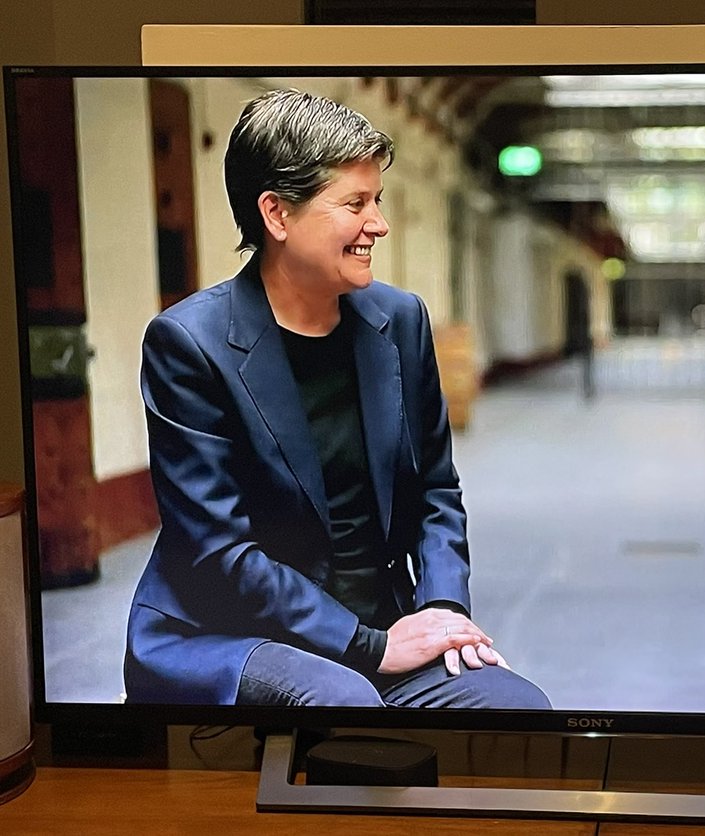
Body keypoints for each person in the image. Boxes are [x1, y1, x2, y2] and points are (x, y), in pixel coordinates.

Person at [123, 88, 550, 710]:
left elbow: (436, 490)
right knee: (344, 705)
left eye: (376, 200)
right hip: (237, 633)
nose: (378, 222)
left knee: (516, 708)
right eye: (356, 203)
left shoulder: (400, 322)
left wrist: (443, 611)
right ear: (276, 215)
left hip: (386, 624)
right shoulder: (190, 344)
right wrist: (367, 647)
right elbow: (219, 552)